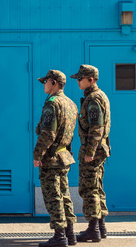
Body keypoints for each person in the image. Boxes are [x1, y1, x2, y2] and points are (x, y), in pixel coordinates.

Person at [34, 70, 78, 247]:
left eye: (45, 82)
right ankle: (70, 233)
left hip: (51, 157)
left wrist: (38, 155)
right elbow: (70, 133)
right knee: (65, 195)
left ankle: (60, 236)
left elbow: (47, 134)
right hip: (64, 156)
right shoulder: (71, 103)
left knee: (53, 196)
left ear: (54, 83)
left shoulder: (52, 104)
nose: (44, 85)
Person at [70, 64, 111, 243]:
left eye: (80, 79)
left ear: (91, 79)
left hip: (93, 150)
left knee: (89, 189)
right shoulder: (98, 96)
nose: (78, 82)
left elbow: (96, 128)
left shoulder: (93, 99)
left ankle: (93, 229)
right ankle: (100, 227)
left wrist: (90, 152)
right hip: (99, 149)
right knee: (96, 187)